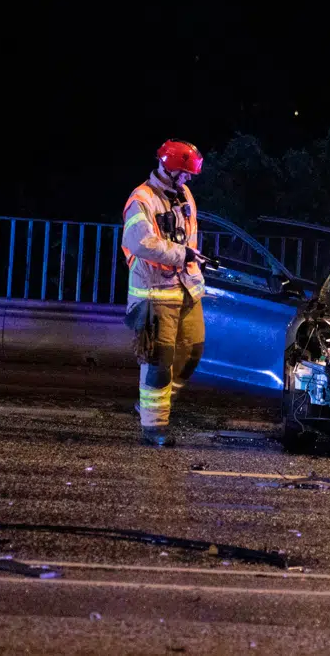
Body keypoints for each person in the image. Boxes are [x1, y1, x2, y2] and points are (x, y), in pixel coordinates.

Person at [121, 139, 207, 447]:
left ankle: (150, 408)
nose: (188, 179)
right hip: (155, 293)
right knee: (159, 362)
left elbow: (190, 238)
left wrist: (194, 265)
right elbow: (140, 243)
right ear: (169, 168)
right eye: (185, 173)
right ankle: (154, 429)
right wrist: (182, 255)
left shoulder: (184, 195)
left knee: (193, 351)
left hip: (185, 291)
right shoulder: (141, 199)